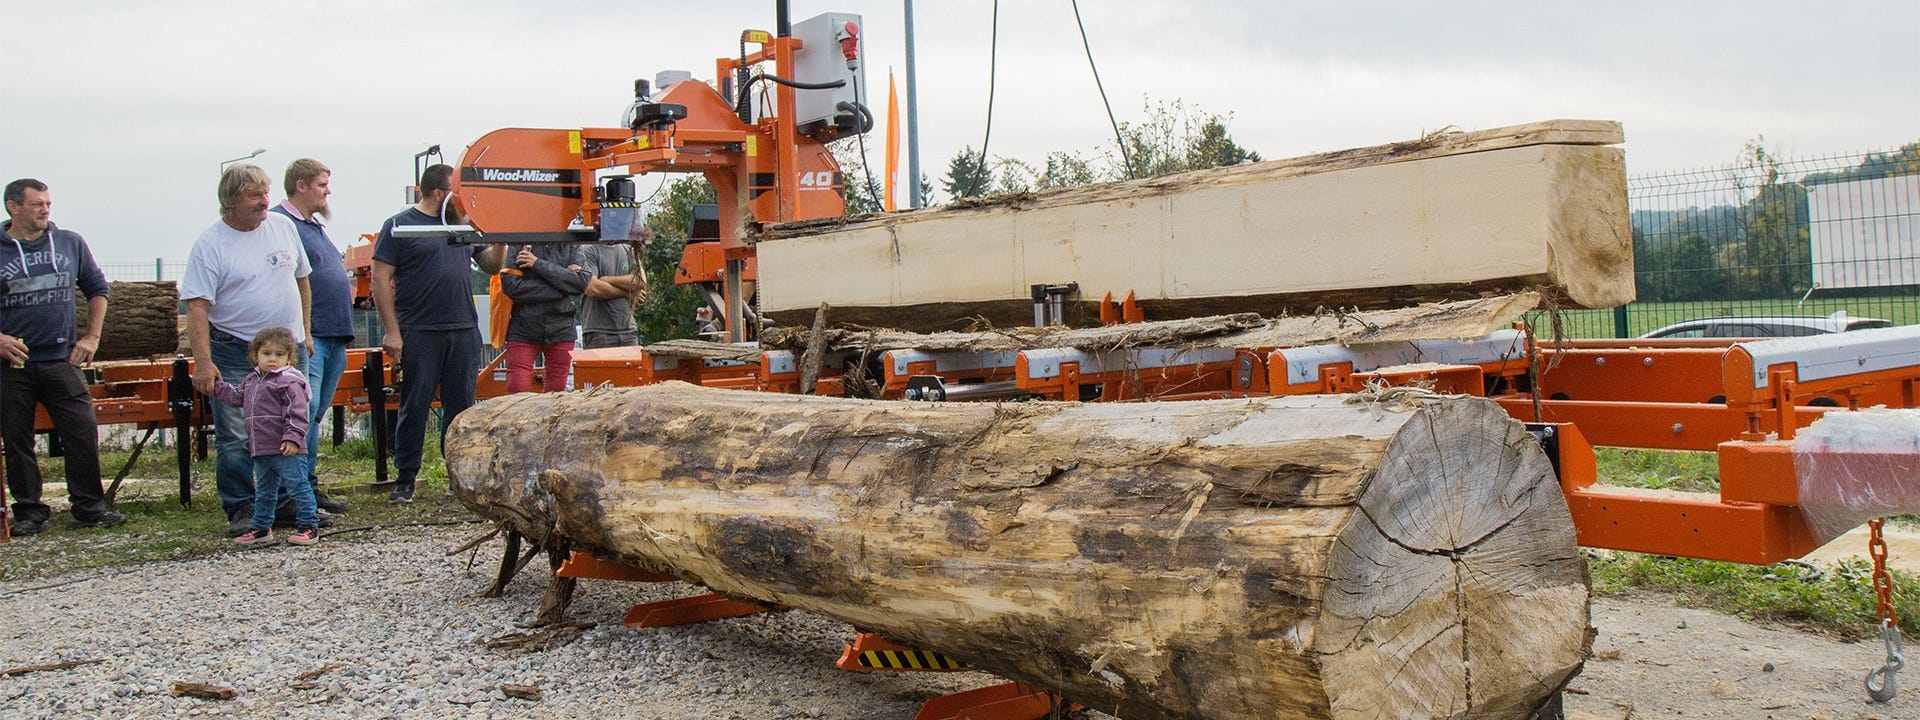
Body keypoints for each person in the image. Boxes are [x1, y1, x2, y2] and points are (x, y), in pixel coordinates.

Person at [183, 164, 313, 537]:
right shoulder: (211, 244)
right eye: (254, 196)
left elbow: (302, 279)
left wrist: (305, 330)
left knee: (293, 423)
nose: (264, 202)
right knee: (239, 432)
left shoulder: (283, 227)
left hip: (288, 348)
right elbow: (197, 308)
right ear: (231, 201)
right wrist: (204, 363)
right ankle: (241, 504)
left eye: (265, 193)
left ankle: (290, 499)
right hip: (236, 348)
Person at [371, 164, 505, 504]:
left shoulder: (460, 225)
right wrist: (392, 331)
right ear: (437, 193)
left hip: (462, 329)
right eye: (456, 191)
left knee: (460, 407)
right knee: (414, 405)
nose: (463, 199)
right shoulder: (399, 226)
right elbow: (379, 279)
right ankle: (406, 478)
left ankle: (455, 477)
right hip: (420, 330)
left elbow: (491, 265)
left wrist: (499, 234)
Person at [0, 178, 126, 537]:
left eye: (48, 204)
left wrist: (92, 337)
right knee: (17, 438)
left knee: (82, 430)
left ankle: (88, 507)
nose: (45, 210)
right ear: (13, 207)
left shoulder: (69, 243)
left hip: (61, 358)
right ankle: (29, 511)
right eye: (37, 204)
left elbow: (97, 288)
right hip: (13, 363)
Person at [272, 159, 352, 516]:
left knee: (314, 414)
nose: (327, 192)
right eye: (321, 185)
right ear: (301, 186)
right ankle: (295, 492)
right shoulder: (281, 224)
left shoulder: (313, 226)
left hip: (334, 333)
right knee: (303, 413)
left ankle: (308, 485)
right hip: (312, 335)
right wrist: (302, 331)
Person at [207, 327, 317, 546]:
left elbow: (298, 413)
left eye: (279, 355)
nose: (272, 360)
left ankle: (308, 526)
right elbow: (236, 396)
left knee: (298, 486)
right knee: (265, 492)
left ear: (289, 358)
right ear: (255, 356)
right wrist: (216, 387)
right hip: (261, 449)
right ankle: (261, 527)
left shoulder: (289, 382)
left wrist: (293, 438)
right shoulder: (252, 381)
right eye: (266, 354)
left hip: (286, 448)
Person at [501, 241, 588, 392]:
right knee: (517, 388)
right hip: (523, 328)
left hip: (561, 329)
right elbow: (510, 286)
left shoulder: (571, 243)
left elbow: (581, 282)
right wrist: (562, 287)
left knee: (556, 393)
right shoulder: (520, 241)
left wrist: (537, 264)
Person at [578, 227, 650, 349]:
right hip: (598, 332)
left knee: (634, 368)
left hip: (628, 330)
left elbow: (640, 281)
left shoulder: (628, 249)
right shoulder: (588, 250)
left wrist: (606, 279)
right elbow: (593, 289)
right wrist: (627, 293)